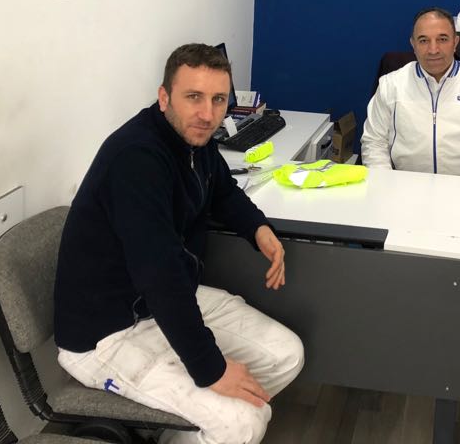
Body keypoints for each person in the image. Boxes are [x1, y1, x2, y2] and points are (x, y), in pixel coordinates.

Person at [54, 43, 303, 444]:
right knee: (242, 423)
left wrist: (258, 229)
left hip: (161, 301)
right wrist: (212, 369)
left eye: (218, 99)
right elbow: (160, 273)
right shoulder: (137, 159)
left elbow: (221, 189)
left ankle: (177, 428)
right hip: (108, 332)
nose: (207, 113)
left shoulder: (194, 141)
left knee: (286, 356)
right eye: (193, 97)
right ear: (164, 97)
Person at [360, 7, 460, 394]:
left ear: (455, 42)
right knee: (373, 238)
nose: (433, 49)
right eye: (424, 40)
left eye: (441, 39)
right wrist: (385, 189)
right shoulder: (392, 86)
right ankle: (389, 333)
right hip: (407, 187)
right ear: (412, 44)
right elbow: (373, 142)